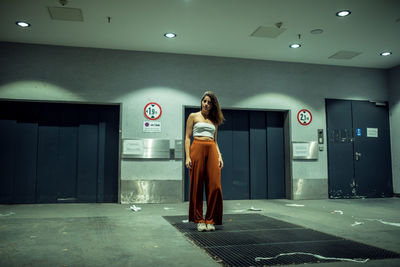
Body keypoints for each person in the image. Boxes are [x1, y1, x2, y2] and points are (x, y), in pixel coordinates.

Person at [185, 91, 224, 232]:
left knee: (215, 186)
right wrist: (188, 157)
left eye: (209, 102)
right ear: (201, 101)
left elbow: (215, 140)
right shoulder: (193, 116)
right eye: (204, 101)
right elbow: (187, 138)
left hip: (212, 150)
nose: (206, 104)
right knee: (196, 185)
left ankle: (211, 219)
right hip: (197, 149)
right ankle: (199, 219)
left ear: (213, 105)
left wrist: (219, 156)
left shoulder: (214, 120)